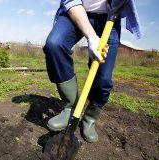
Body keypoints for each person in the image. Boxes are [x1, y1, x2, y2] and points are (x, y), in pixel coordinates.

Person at [44, 0, 141, 143]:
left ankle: (90, 119)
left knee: (103, 80)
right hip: (76, 11)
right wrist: (92, 37)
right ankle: (70, 108)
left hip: (109, 18)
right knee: (55, 45)